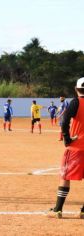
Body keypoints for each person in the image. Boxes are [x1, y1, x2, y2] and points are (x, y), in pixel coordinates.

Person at [47, 77, 84, 219]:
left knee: (65, 176)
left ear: (76, 89)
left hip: (76, 148)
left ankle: (58, 209)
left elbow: (64, 120)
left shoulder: (76, 102)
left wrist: (67, 139)